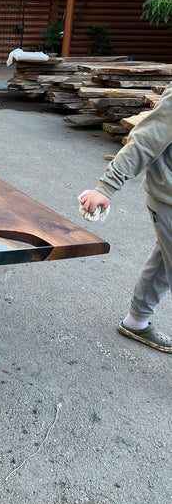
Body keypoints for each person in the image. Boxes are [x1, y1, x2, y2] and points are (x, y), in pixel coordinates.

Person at [79, 84, 172, 352]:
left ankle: (137, 321)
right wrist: (106, 186)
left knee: (163, 260)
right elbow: (144, 140)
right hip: (168, 200)